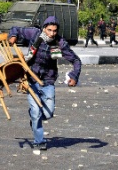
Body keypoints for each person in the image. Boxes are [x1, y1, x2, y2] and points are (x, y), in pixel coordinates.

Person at [8, 16, 81, 150]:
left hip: (48, 80)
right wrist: (12, 36)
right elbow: (16, 29)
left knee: (48, 113)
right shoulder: (34, 34)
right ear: (44, 29)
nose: (52, 33)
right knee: (36, 113)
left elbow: (76, 60)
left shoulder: (60, 43)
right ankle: (39, 140)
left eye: (54, 31)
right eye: (49, 30)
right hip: (31, 78)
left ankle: (34, 118)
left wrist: (74, 76)